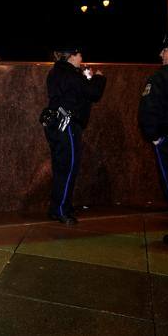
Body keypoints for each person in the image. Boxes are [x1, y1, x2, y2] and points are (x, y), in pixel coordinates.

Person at [42, 46, 106, 225]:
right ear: (71, 57)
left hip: (56, 124)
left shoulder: (56, 72)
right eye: (80, 55)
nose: (81, 58)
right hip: (67, 125)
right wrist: (98, 78)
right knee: (68, 168)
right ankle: (62, 209)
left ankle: (57, 207)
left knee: (60, 167)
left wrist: (86, 78)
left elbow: (77, 91)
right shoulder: (70, 74)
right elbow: (93, 93)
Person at [138, 34, 168, 250]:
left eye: (164, 51)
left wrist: (154, 137)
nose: (161, 55)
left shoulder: (161, 77)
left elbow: (148, 110)